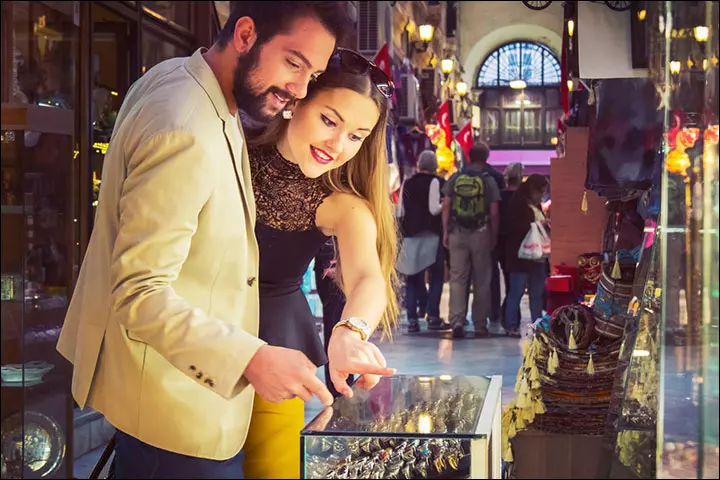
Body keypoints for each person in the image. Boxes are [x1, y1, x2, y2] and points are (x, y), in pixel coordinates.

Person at [55, 3, 362, 479]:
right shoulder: (187, 124)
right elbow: (139, 291)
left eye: (313, 73)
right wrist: (253, 357)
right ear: (245, 34)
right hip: (175, 413)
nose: (299, 91)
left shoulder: (179, 78)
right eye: (293, 63)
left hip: (168, 397)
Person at [246, 46, 399, 477]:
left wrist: (351, 332)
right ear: (297, 101)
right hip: (192, 340)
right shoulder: (229, 146)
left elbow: (369, 277)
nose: (337, 145)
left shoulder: (342, 204)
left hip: (276, 347)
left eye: (356, 136)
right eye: (330, 120)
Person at [442, 143, 501, 339]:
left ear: (469, 156)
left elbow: (446, 205)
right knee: (482, 280)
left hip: (457, 232)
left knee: (457, 279)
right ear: (486, 158)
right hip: (481, 232)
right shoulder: (488, 181)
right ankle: (479, 325)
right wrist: (493, 235)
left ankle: (457, 320)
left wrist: (445, 231)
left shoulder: (456, 177)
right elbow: (494, 212)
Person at [398, 150, 449, 333]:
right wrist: (446, 204)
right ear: (434, 165)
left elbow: (400, 211)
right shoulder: (435, 182)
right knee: (436, 277)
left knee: (413, 277)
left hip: (411, 235)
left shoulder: (408, 183)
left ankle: (412, 320)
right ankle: (433, 316)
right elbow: (433, 208)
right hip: (431, 235)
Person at [503, 174, 550, 337]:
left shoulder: (536, 207)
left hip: (537, 257)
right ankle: (511, 325)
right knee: (516, 292)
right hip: (520, 257)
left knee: (536, 294)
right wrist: (538, 225)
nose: (542, 196)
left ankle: (537, 325)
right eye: (540, 192)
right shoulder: (517, 205)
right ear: (532, 190)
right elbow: (514, 227)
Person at [497, 162, 524, 329]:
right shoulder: (523, 198)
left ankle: (509, 317)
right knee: (517, 286)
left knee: (510, 283)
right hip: (521, 245)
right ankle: (511, 317)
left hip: (502, 244)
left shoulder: (500, 197)